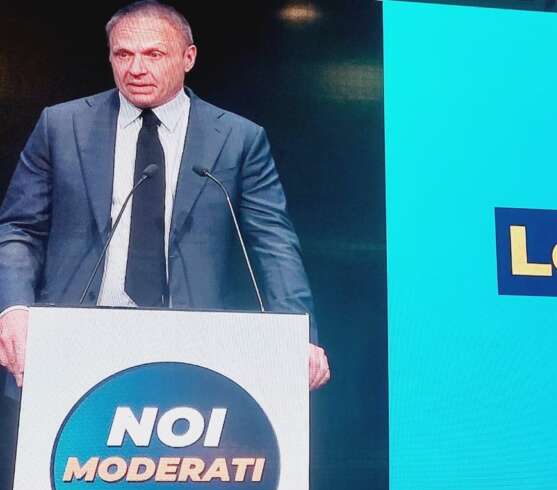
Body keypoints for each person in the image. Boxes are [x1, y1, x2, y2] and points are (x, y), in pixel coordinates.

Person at [0, 0, 331, 392]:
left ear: (189, 57)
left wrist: (298, 334)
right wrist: (13, 308)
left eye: (154, 54)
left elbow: (273, 242)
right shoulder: (61, 126)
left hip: (193, 348)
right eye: (123, 54)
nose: (136, 69)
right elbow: (19, 229)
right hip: (72, 341)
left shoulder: (238, 138)